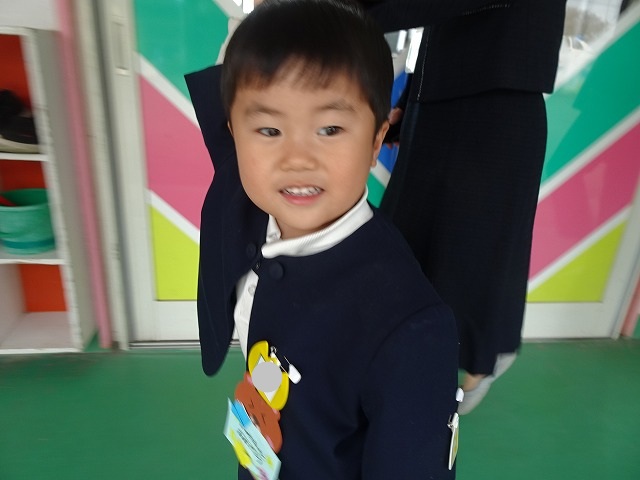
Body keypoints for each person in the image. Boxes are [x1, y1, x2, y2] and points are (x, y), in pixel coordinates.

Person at [185, 1, 460, 478]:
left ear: (375, 141)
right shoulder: (246, 204)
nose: (297, 158)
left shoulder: (411, 327)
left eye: (330, 129)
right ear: (235, 137)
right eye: (269, 129)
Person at [357, 0, 567, 414]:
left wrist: (348, 10)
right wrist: (416, 97)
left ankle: (480, 354)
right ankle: (411, 367)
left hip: (496, 102)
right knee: (404, 247)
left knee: (472, 257)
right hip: (442, 99)